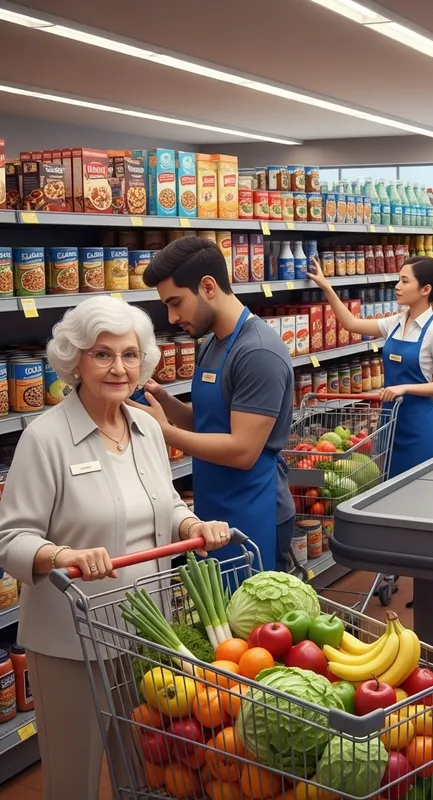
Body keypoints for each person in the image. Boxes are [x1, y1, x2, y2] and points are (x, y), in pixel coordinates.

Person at [0, 295, 229, 800]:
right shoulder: (45, 439)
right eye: (102, 354)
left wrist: (193, 523)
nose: (118, 367)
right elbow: (11, 539)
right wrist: (64, 557)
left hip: (146, 630)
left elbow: (163, 503)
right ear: (75, 360)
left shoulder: (146, 426)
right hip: (70, 639)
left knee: (144, 768)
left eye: (129, 355)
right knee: (74, 776)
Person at [136, 237, 295, 571]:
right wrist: (165, 402)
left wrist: (162, 430)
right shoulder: (213, 343)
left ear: (207, 286)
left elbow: (243, 450)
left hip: (256, 511)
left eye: (176, 302)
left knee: (256, 618)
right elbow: (209, 423)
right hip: (217, 513)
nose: (172, 316)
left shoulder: (258, 352)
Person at [307, 255, 433, 478]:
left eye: (405, 281)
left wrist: (405, 388)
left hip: (418, 427)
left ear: (425, 289)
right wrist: (326, 286)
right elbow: (351, 323)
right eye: (398, 280)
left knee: (419, 494)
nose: (397, 286)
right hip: (389, 421)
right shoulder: (395, 323)